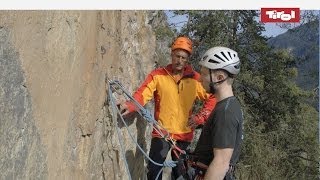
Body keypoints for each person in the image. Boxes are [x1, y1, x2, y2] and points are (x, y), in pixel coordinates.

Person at [119, 36, 217, 180]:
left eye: (184, 58)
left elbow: (213, 97)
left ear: (188, 59)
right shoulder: (158, 75)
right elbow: (143, 93)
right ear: (171, 54)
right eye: (177, 56)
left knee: (180, 174)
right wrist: (131, 105)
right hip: (162, 132)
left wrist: (200, 117)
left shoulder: (195, 79)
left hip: (184, 135)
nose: (180, 60)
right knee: (154, 171)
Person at [190, 46, 244, 180]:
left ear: (219, 77)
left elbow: (221, 163)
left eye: (203, 74)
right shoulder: (227, 106)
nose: (200, 79)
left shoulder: (226, 112)